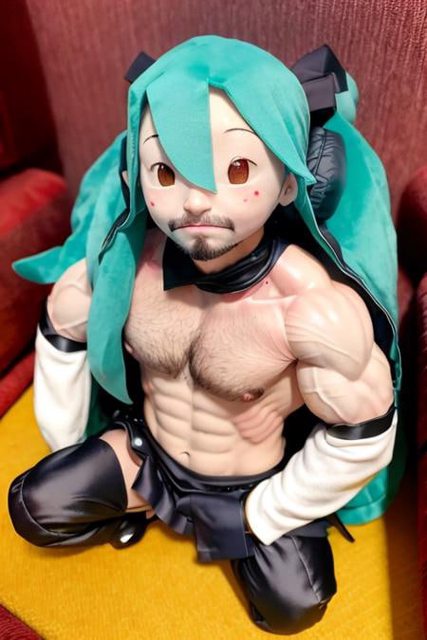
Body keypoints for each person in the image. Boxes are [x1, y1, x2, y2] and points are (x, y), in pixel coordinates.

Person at [8, 36, 400, 635]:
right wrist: (68, 442)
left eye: (236, 170)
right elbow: (63, 329)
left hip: (250, 485)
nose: (193, 201)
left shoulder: (308, 303)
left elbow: (366, 430)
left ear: (289, 183)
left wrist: (266, 510)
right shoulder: (124, 269)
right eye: (166, 172)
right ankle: (138, 505)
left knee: (294, 607)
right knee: (33, 509)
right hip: (145, 453)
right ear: (136, 175)